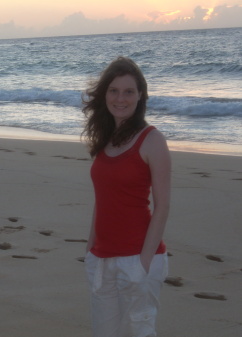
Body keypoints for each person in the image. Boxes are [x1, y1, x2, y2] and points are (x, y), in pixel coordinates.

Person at [82, 57, 171, 337]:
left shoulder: (152, 140)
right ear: (105, 94)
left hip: (137, 258)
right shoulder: (104, 139)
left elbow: (163, 205)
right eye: (114, 90)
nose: (121, 98)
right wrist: (90, 248)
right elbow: (103, 199)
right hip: (101, 259)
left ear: (141, 96)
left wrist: (143, 263)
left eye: (129, 91)